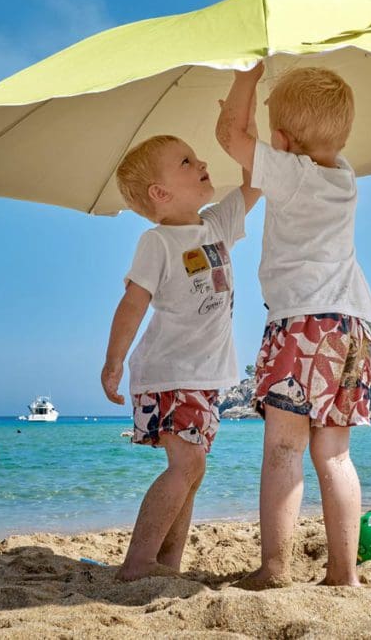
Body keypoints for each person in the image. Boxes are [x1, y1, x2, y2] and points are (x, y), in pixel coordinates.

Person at [216, 64, 371, 588]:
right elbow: (253, 145)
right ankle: (343, 574)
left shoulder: (291, 172)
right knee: (335, 454)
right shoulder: (344, 175)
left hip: (303, 323)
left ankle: (275, 568)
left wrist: (246, 78)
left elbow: (229, 136)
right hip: (352, 325)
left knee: (284, 448)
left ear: (283, 142)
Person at [100, 133, 259, 582]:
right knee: (185, 465)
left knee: (193, 470)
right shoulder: (158, 242)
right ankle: (137, 562)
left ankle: (166, 565)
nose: (202, 162)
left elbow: (256, 181)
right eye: (186, 161)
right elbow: (132, 303)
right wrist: (114, 362)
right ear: (161, 193)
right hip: (169, 371)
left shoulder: (217, 224)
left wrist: (245, 131)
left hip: (205, 376)